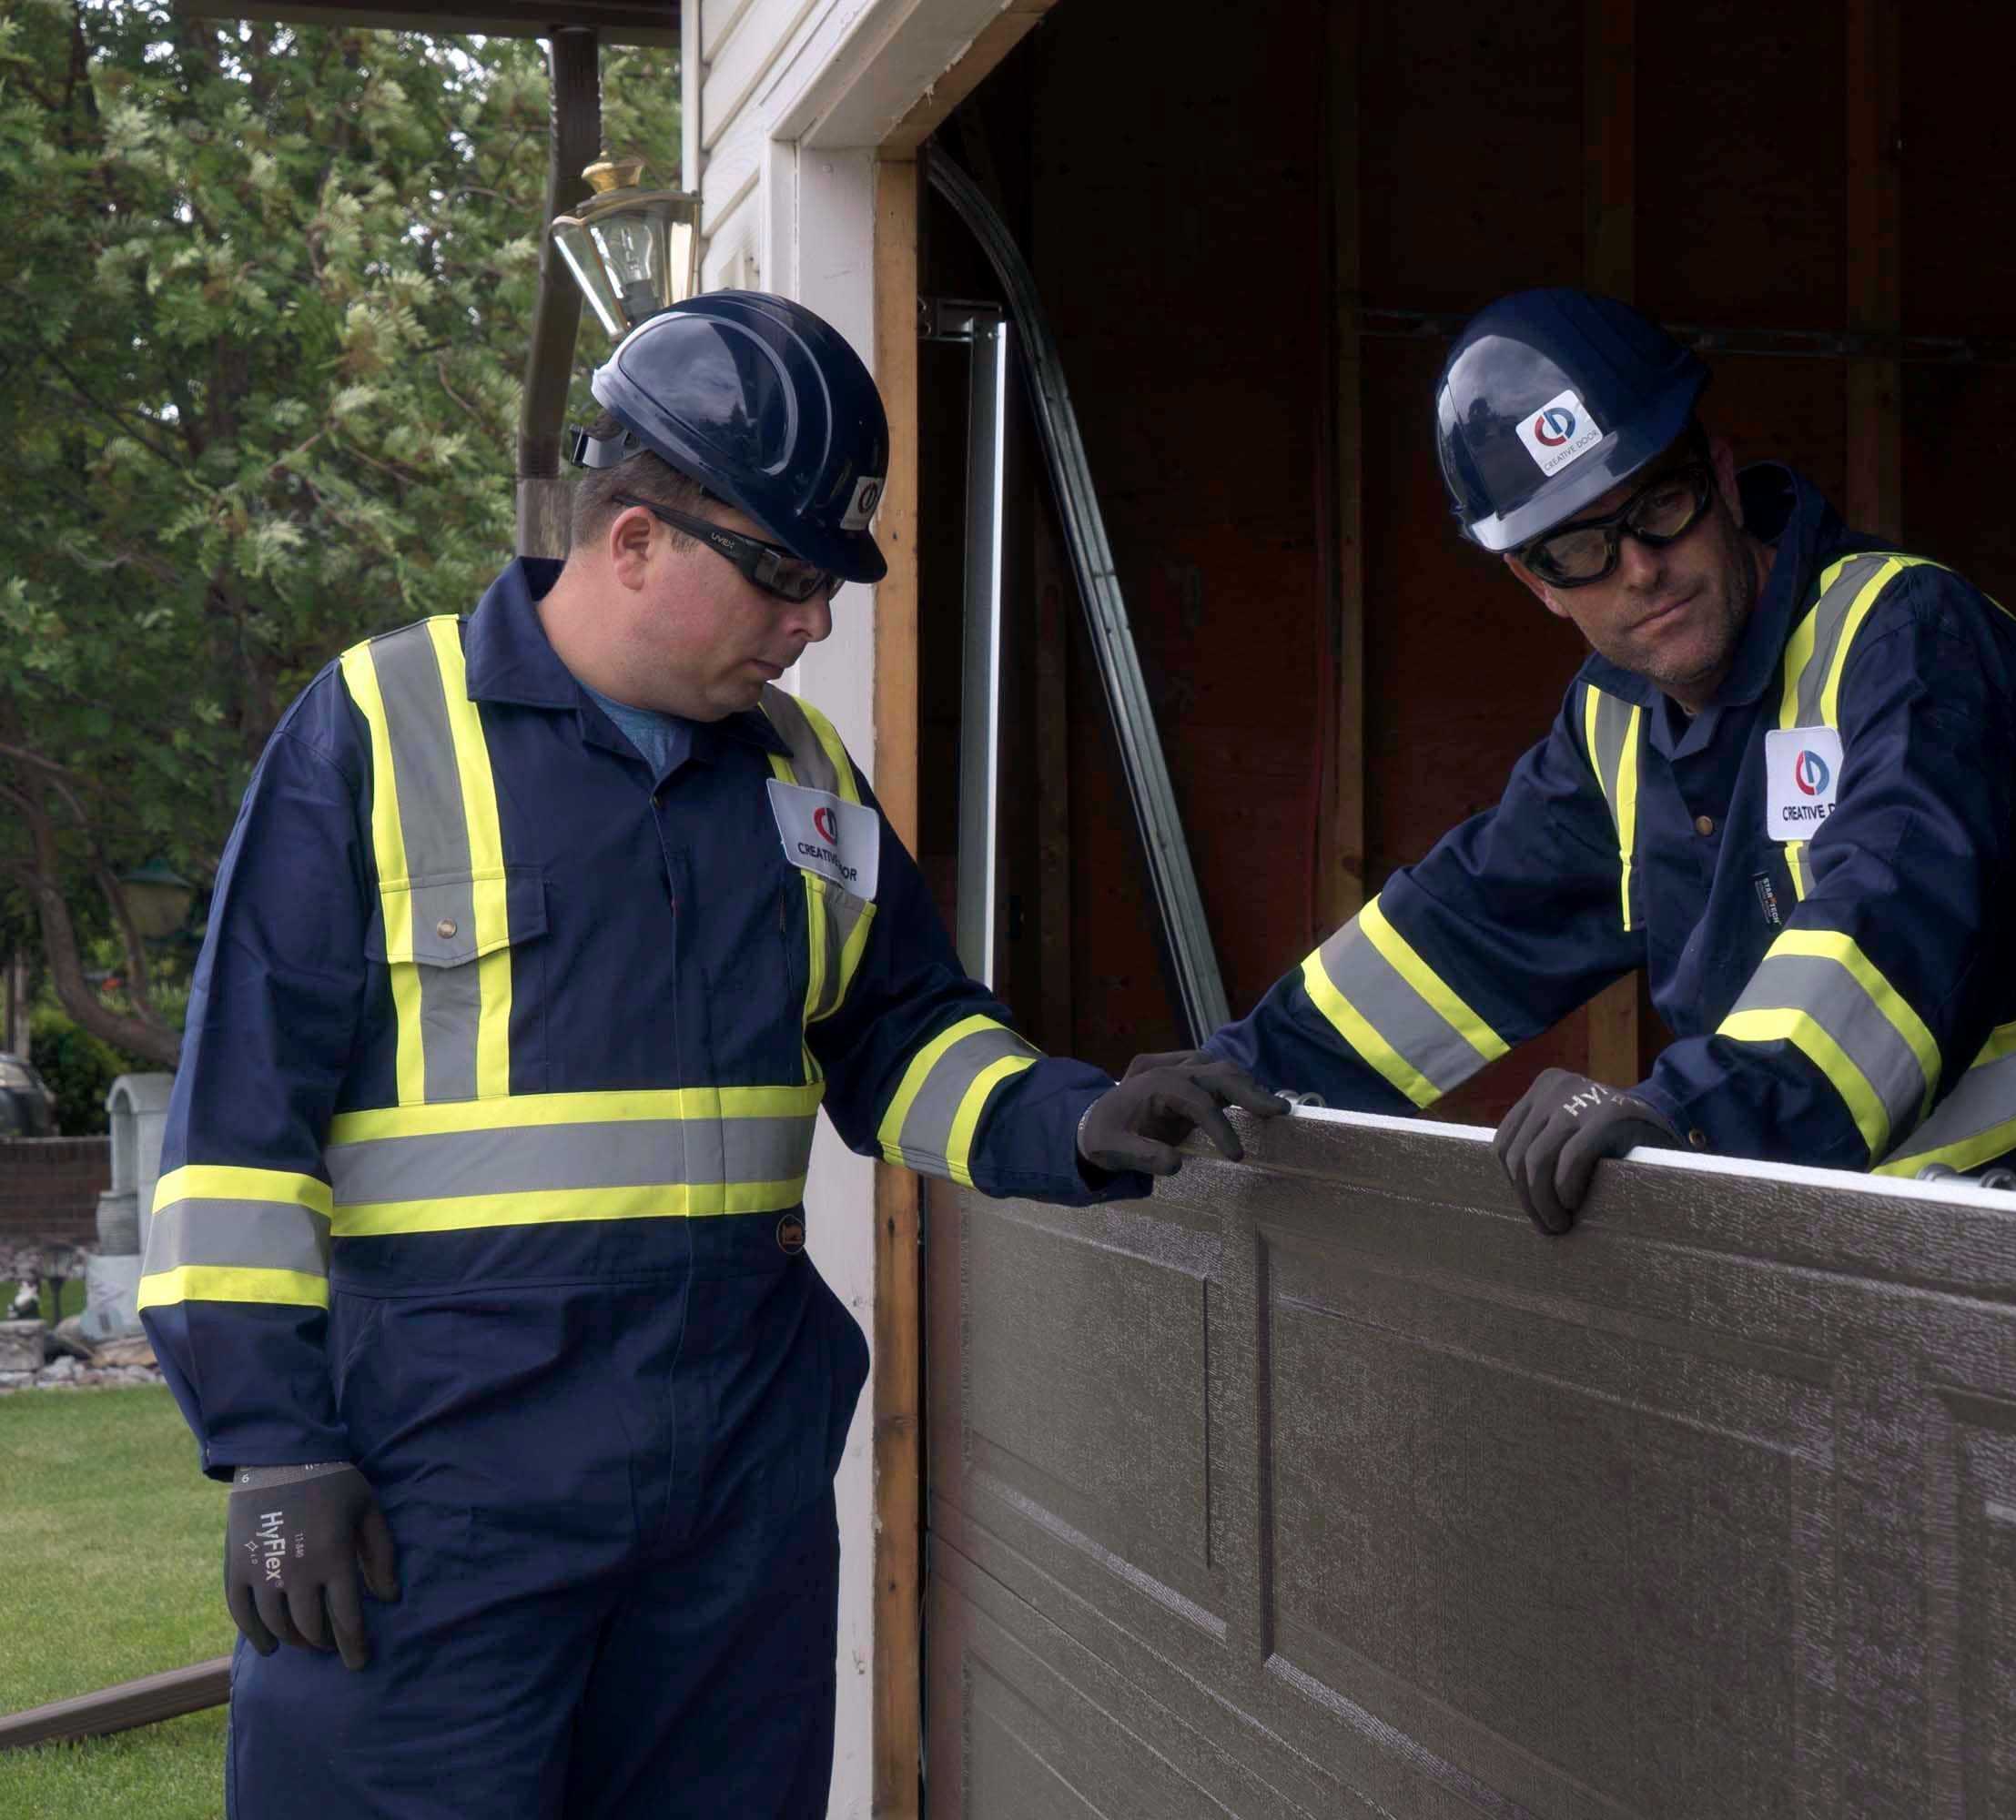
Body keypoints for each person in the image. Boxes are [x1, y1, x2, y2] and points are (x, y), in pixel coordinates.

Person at [137, 290, 1279, 1819]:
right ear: (633, 541)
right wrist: (272, 1453)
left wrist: (1068, 1121)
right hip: (436, 1487)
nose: (815, 623)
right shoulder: (375, 730)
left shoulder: (803, 779)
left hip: (730, 1490)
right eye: (787, 577)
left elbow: (901, 1033)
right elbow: (234, 1135)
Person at [1194, 287, 2016, 1234]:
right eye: (1578, 548)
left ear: (1717, 470)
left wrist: (1699, 1115)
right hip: (1836, 1236)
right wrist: (1237, 1071)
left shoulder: (1903, 635)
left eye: (1657, 502)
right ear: (1533, 583)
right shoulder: (1617, 717)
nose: (1638, 567)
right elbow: (1470, 928)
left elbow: (1896, 915)